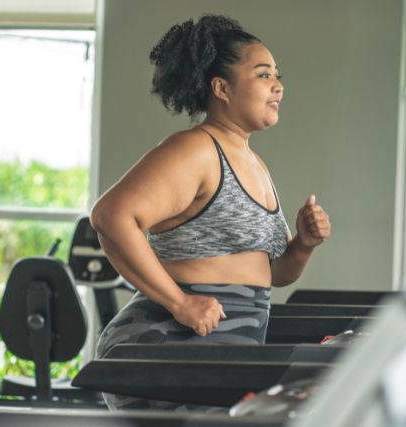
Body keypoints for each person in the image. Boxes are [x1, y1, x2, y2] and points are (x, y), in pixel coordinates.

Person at [90, 14, 331, 400]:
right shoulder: (196, 149)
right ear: (222, 87)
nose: (279, 87)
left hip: (221, 355)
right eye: (264, 75)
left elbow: (273, 274)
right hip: (164, 349)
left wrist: (303, 244)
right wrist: (179, 302)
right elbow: (110, 216)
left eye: (277, 76)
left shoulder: (254, 163)